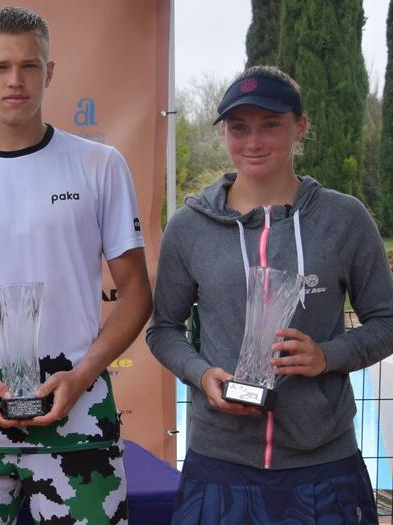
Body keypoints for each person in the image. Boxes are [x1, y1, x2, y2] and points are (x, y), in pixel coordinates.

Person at [0, 6, 153, 524]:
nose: (15, 80)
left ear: (50, 71)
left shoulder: (99, 166)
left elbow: (136, 294)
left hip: (78, 417)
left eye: (30, 66)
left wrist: (81, 375)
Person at [147, 65, 393, 522]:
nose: (253, 142)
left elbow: (386, 320)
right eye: (239, 128)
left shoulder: (343, 219)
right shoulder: (190, 227)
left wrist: (327, 355)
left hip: (321, 460)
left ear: (299, 127)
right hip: (219, 460)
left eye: (270, 125)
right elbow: (163, 329)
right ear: (223, 132)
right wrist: (201, 375)